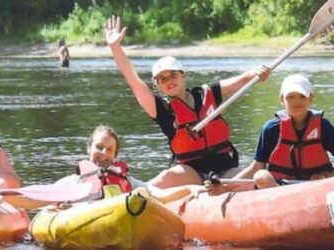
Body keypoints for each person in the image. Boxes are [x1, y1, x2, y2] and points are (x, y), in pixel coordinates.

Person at [104, 15, 271, 189]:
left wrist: (257, 73)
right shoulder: (162, 110)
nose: (169, 81)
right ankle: (128, 190)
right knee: (167, 177)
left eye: (173, 75)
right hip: (189, 175)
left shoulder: (209, 93)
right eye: (162, 79)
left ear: (184, 74)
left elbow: (242, 80)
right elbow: (134, 81)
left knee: (259, 177)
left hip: (225, 170)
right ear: (158, 85)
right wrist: (115, 47)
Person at [0, 125, 206, 209]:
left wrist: (191, 189)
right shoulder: (72, 183)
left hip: (120, 218)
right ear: (89, 148)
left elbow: (160, 195)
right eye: (99, 147)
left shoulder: (128, 182)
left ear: (115, 155)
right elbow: (35, 199)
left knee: (142, 194)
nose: (103, 153)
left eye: (110, 150)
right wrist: (5, 197)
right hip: (81, 221)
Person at [207, 74, 334, 192]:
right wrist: (224, 187)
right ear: (281, 99)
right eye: (291, 97)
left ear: (310, 99)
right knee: (261, 176)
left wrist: (329, 175)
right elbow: (256, 167)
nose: (297, 102)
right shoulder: (271, 129)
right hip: (281, 188)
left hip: (317, 186)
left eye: (302, 96)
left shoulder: (323, 126)